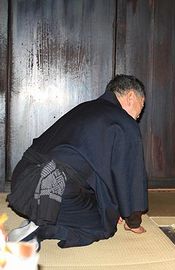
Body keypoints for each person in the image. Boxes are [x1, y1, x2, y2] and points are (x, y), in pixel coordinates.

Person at [6, 74, 148, 249]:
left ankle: (37, 216)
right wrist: (132, 220)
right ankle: (39, 230)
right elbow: (129, 176)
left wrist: (113, 206)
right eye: (140, 108)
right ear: (131, 96)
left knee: (94, 202)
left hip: (22, 179)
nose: (138, 116)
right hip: (55, 186)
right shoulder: (124, 122)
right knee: (101, 225)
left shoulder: (85, 108)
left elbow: (95, 171)